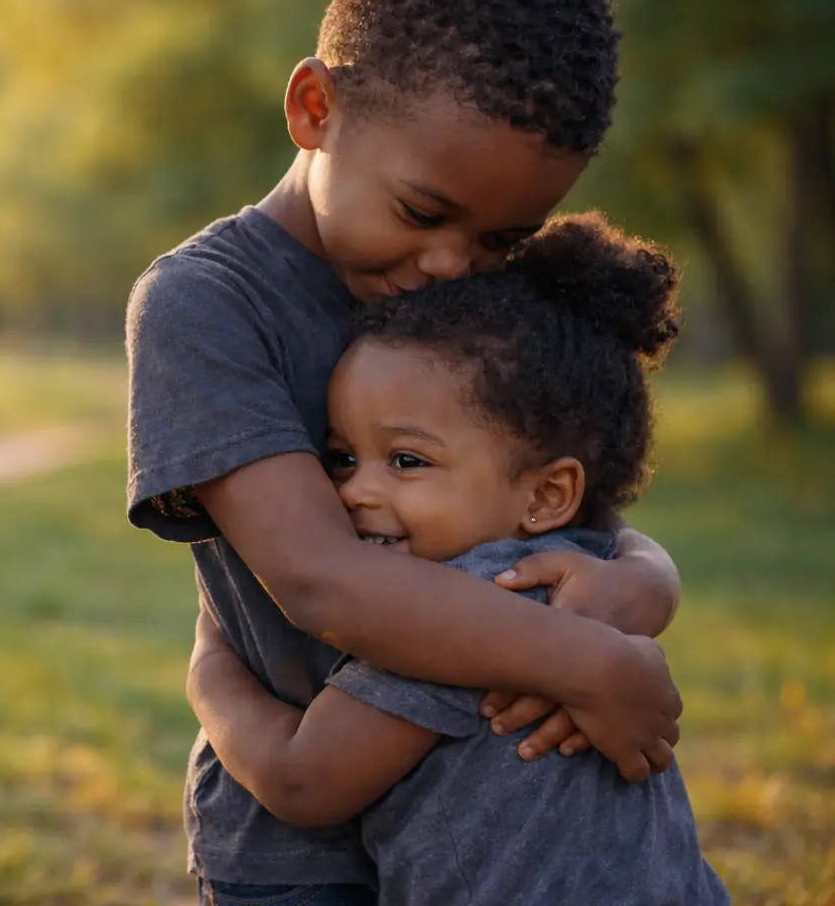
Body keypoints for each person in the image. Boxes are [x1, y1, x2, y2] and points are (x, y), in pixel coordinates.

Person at [124, 0, 683, 905]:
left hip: (495, 816)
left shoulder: (471, 295)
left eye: (500, 241)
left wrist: (642, 581)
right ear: (314, 110)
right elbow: (324, 584)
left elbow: (558, 510)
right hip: (300, 843)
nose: (447, 267)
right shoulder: (208, 303)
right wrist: (585, 659)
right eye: (423, 212)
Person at [186, 215, 729, 905]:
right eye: (341, 457)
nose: (354, 490)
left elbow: (303, 780)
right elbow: (635, 547)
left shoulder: (458, 614)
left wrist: (210, 671)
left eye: (406, 460)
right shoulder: (584, 564)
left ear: (548, 494)